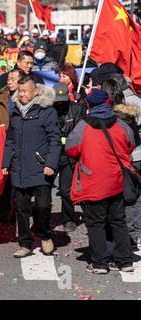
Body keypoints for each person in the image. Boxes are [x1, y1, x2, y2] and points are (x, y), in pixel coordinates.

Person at [65, 89, 135, 274]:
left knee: (96, 223)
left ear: (89, 105)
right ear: (108, 103)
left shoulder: (83, 126)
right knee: (118, 221)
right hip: (116, 180)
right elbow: (130, 144)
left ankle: (100, 263)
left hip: (93, 180)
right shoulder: (120, 124)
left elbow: (71, 148)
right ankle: (125, 261)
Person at [2, 75, 61, 258]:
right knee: (21, 207)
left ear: (35, 92)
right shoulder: (15, 112)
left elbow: (55, 140)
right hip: (19, 167)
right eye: (19, 91)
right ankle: (25, 243)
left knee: (43, 206)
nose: (21, 94)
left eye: (25, 91)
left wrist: (51, 163)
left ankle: (44, 234)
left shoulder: (47, 111)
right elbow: (9, 141)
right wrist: (5, 163)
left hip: (41, 166)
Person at [102, 79, 141, 247]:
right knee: (133, 197)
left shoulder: (113, 118)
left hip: (122, 161)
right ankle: (133, 234)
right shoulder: (129, 114)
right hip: (134, 158)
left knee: (121, 200)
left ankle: (125, 237)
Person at [52, 83, 87, 232]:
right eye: (57, 100)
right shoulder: (47, 110)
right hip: (51, 155)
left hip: (69, 155)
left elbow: (80, 132)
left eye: (62, 99)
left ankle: (68, 219)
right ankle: (44, 220)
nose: (60, 103)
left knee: (66, 190)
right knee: (44, 190)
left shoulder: (77, 110)